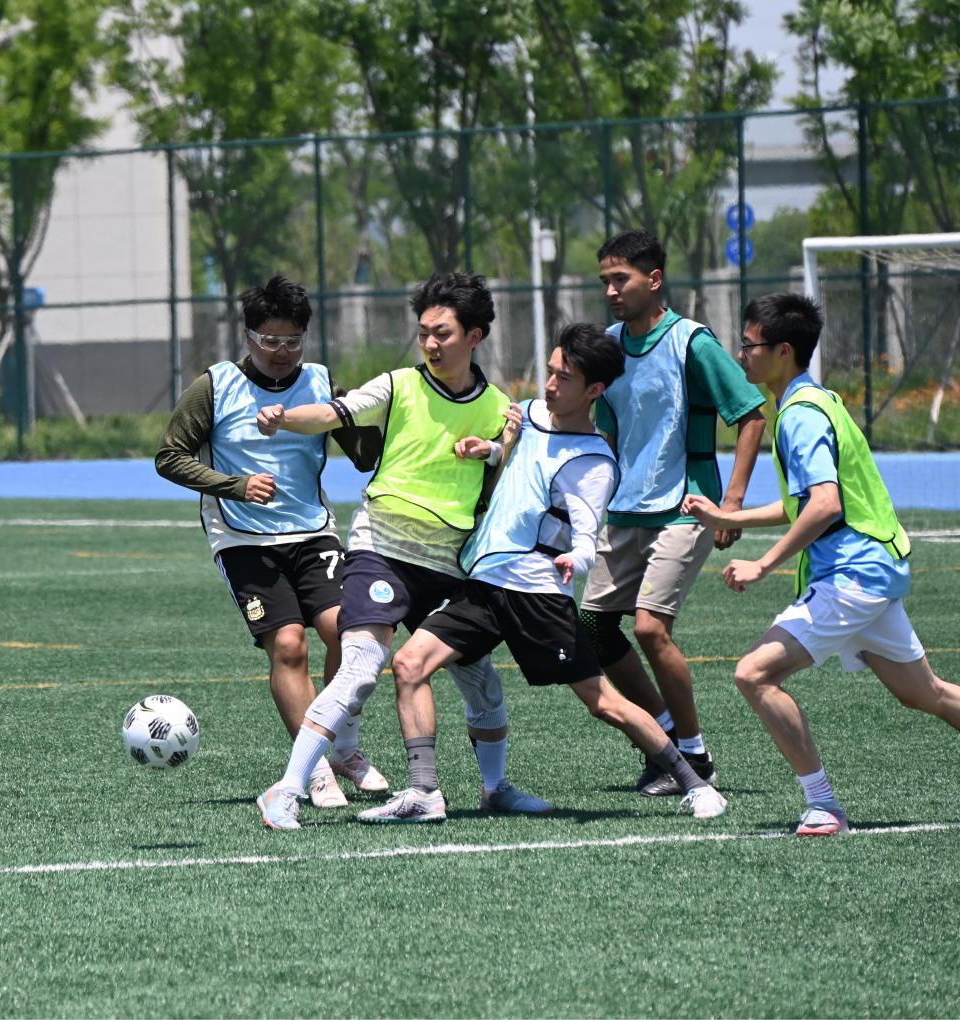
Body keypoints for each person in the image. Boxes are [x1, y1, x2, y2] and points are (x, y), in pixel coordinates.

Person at [683, 292, 960, 835]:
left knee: (754, 674)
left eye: (748, 345)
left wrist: (763, 565)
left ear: (784, 350)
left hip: (852, 575)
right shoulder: (816, 400)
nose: (741, 354)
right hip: (873, 569)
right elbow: (807, 502)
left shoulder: (799, 416)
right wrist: (729, 516)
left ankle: (824, 806)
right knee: (924, 692)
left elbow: (825, 505)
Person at [360, 325, 728, 823]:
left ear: (595, 390)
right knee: (409, 664)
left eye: (564, 378)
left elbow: (586, 536)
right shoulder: (529, 414)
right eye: (551, 371)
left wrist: (576, 560)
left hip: (536, 593)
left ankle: (694, 782)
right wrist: (490, 450)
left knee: (603, 703)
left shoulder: (594, 461)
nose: (550, 384)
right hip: (485, 585)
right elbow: (519, 464)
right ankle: (424, 792)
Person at [253, 272, 511, 831]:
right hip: (383, 551)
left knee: (481, 679)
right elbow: (333, 413)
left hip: (449, 563)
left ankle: (496, 789)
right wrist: (284, 418)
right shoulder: (398, 386)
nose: (430, 343)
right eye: (424, 332)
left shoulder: (498, 407)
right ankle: (287, 789)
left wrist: (496, 450)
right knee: (361, 668)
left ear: (475, 335)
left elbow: (508, 481)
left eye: (443, 333)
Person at [156, 274, 387, 807]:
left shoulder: (320, 382)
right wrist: (234, 486)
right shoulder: (215, 386)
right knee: (288, 645)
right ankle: (315, 771)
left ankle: (341, 746)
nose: (281, 352)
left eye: (293, 341)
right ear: (248, 336)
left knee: (350, 634)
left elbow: (364, 455)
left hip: (313, 531)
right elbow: (169, 457)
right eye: (270, 340)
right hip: (242, 540)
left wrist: (362, 415)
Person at [580, 230, 767, 796]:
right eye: (605, 281)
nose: (611, 291)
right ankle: (666, 741)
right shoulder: (608, 346)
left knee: (649, 627)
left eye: (621, 279)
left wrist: (731, 505)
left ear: (654, 279)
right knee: (591, 627)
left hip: (686, 506)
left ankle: (695, 756)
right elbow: (606, 433)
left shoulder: (693, 342)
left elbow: (751, 414)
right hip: (624, 509)